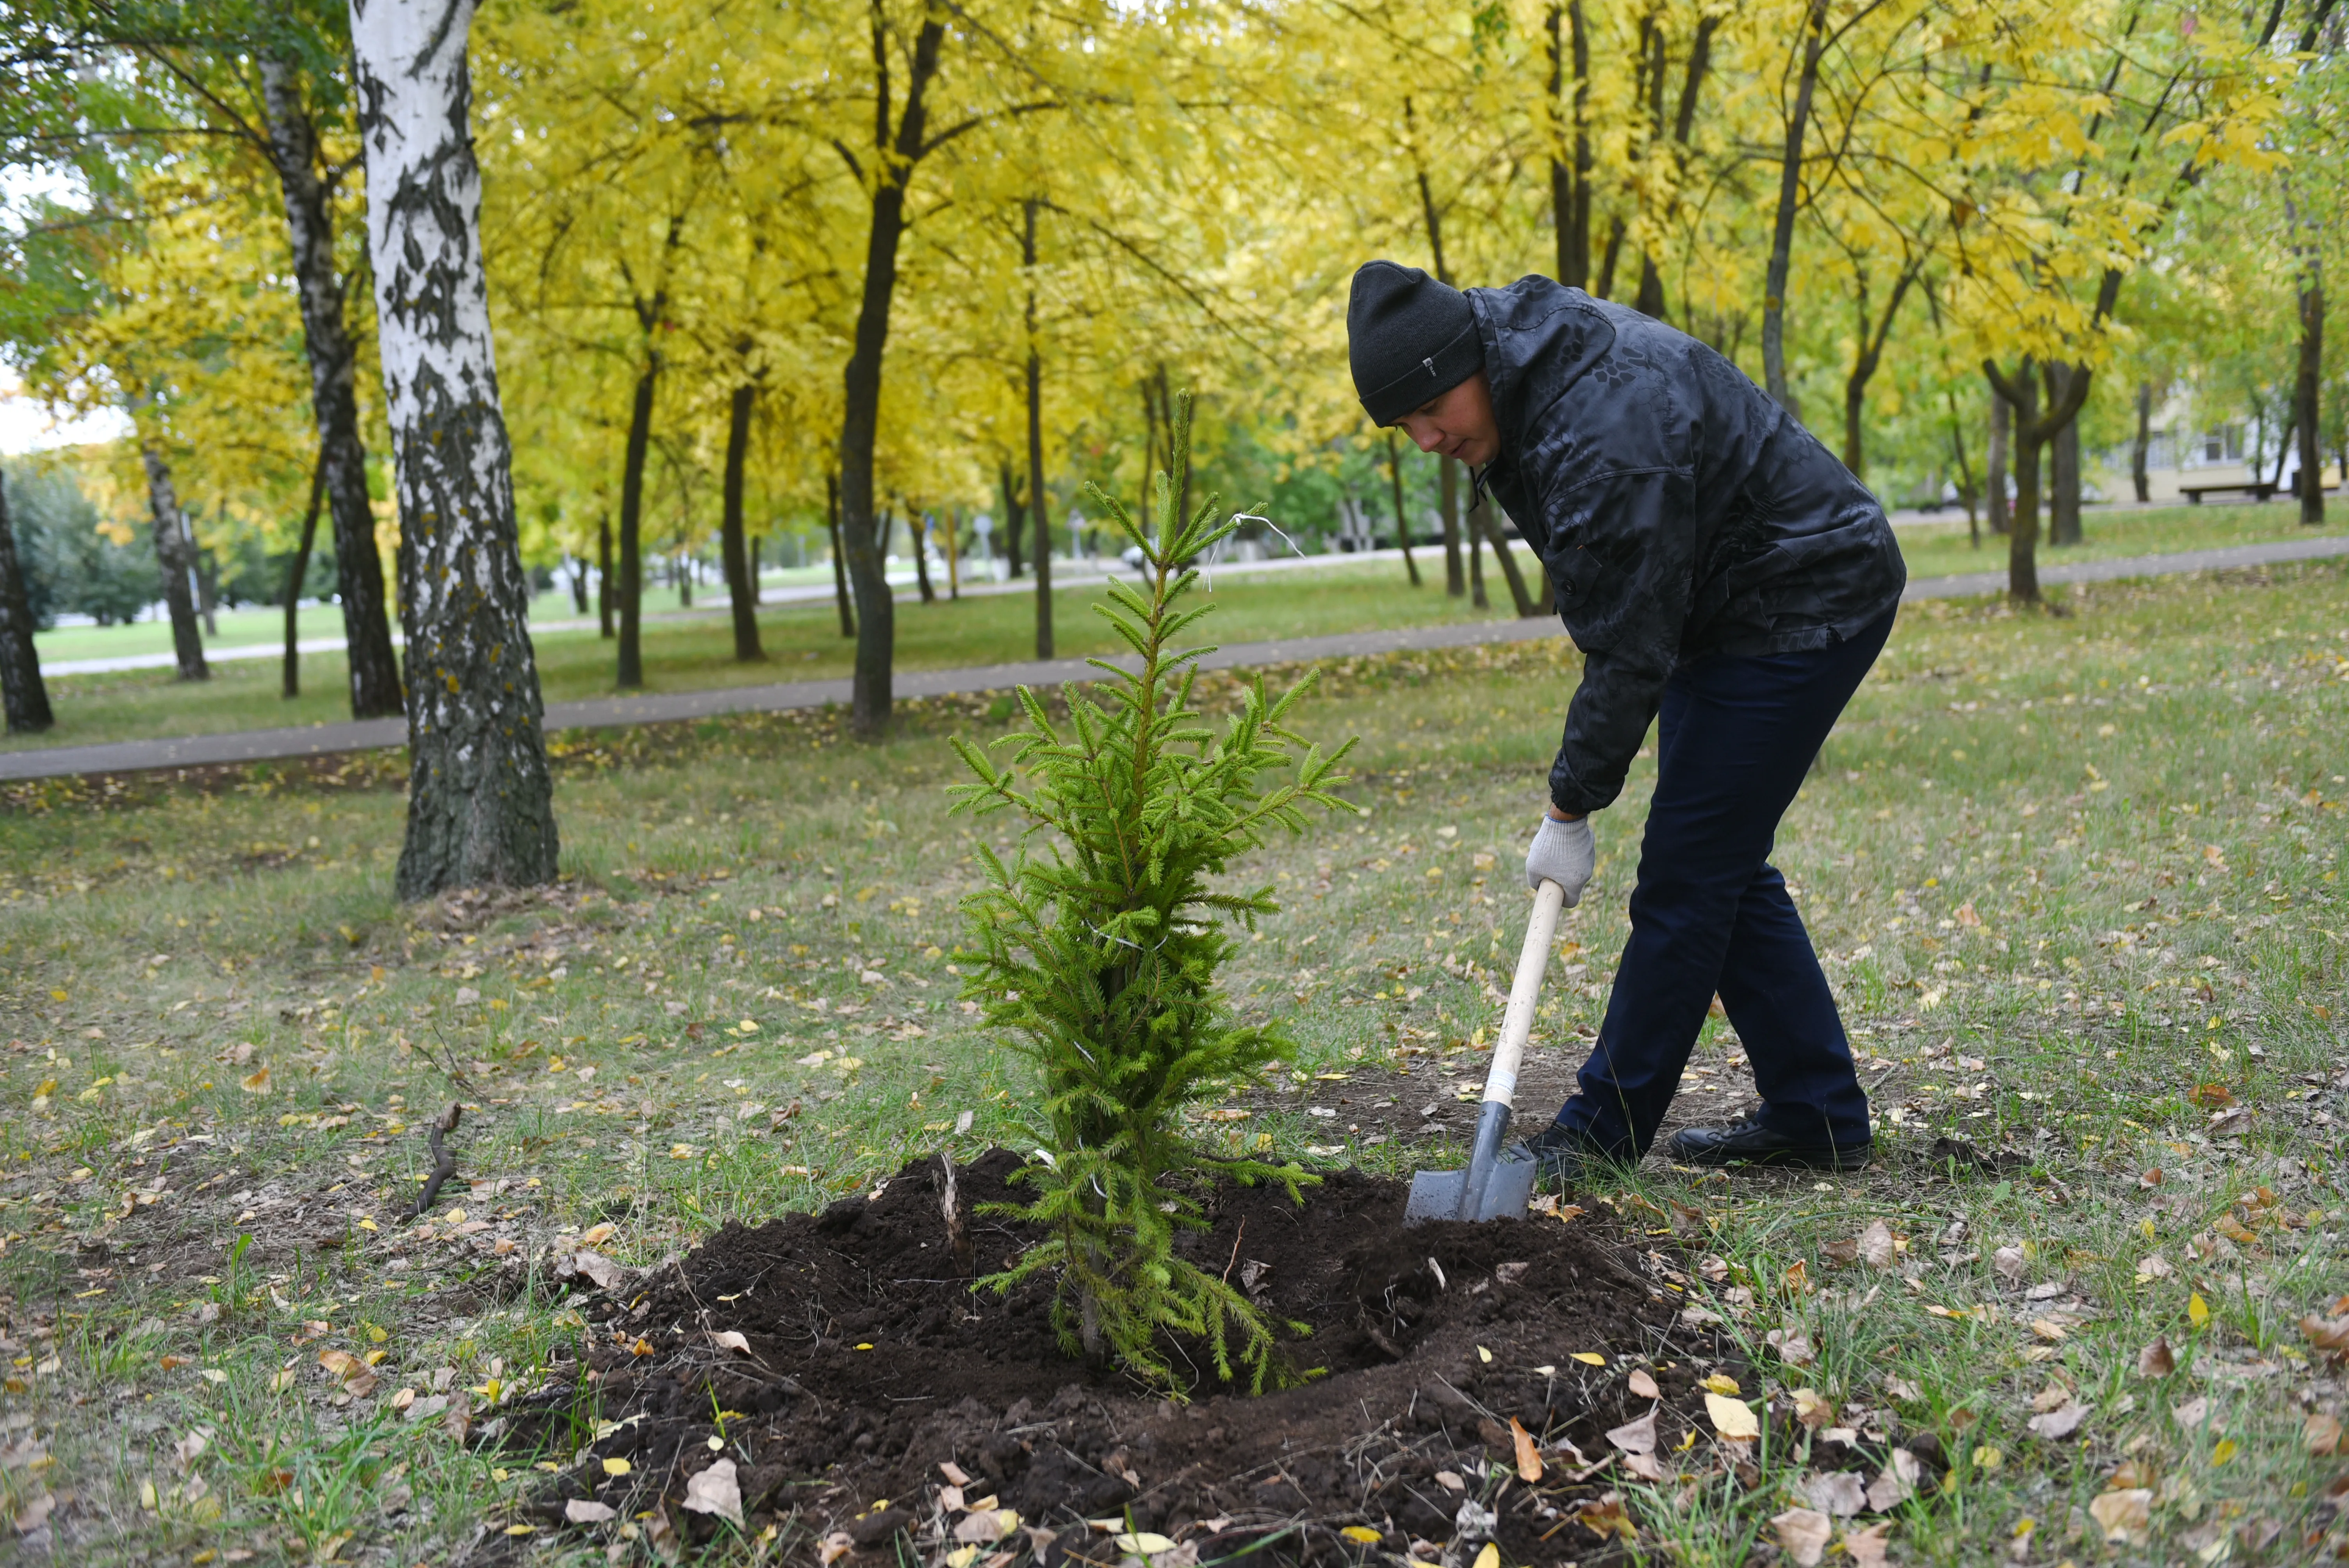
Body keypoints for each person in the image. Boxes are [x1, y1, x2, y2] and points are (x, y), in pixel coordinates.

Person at [1347, 260, 1905, 1178]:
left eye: (1428, 409)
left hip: (1803, 593)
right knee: (1719, 865)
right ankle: (1816, 1115)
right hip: (1720, 600)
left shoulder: (1605, 425)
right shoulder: (1520, 369)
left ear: (1467, 360)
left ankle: (1599, 1136)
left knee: (1688, 877)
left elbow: (1627, 646)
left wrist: (1569, 808)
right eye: (1400, 423)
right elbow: (1626, 610)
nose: (1422, 439)